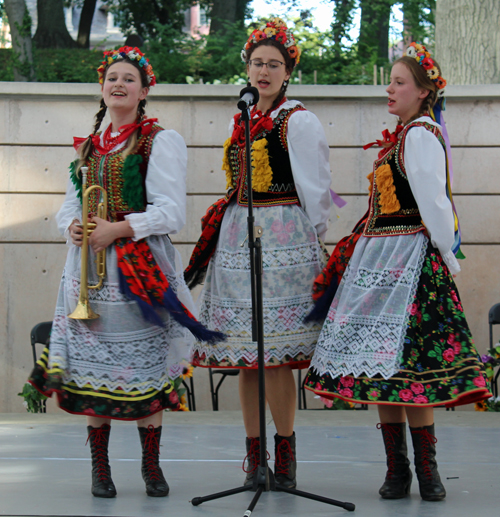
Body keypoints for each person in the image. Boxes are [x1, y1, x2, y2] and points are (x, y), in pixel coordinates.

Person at [29, 46, 221, 499]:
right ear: (102, 88)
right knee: (94, 371)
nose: (119, 84)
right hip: (89, 274)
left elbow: (172, 212)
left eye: (129, 79)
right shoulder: (89, 146)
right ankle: (101, 468)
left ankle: (151, 466)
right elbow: (69, 206)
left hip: (139, 270)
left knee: (146, 367)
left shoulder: (159, 140)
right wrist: (72, 227)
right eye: (112, 77)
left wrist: (118, 228)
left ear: (144, 90)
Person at [304, 42, 491, 502]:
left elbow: (435, 203)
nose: (390, 88)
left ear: (425, 92)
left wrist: (447, 256)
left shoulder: (421, 135)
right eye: (390, 81)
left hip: (408, 262)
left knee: (411, 370)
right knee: (385, 371)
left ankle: (426, 470)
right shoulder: (404, 135)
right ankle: (398, 469)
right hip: (381, 258)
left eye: (400, 82)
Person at [184, 18, 332, 488]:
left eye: (274, 64)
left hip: (282, 237)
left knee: (275, 358)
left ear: (288, 72)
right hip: (238, 237)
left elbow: (317, 191)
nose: (263, 71)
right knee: (246, 357)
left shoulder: (299, 119)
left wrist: (309, 244)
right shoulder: (245, 117)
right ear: (246, 68)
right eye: (256, 63)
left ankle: (284, 458)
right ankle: (256, 460)